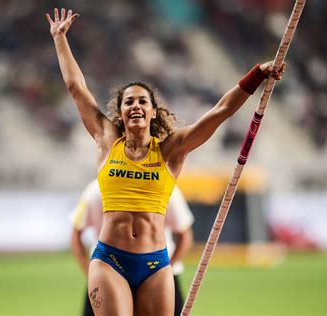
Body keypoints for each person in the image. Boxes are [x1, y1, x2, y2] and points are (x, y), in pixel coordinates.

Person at [46, 7, 285, 315]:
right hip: (109, 260)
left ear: (153, 112)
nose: (135, 105)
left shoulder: (172, 150)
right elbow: (76, 87)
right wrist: (59, 38)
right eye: (128, 101)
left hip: (155, 263)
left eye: (142, 101)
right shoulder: (106, 140)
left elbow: (220, 111)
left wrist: (258, 74)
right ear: (119, 113)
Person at [71, 179, 194, 316]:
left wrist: (164, 270)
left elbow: (185, 236)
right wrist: (90, 273)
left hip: (157, 272)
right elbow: (76, 233)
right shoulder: (95, 189)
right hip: (108, 270)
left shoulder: (166, 186)